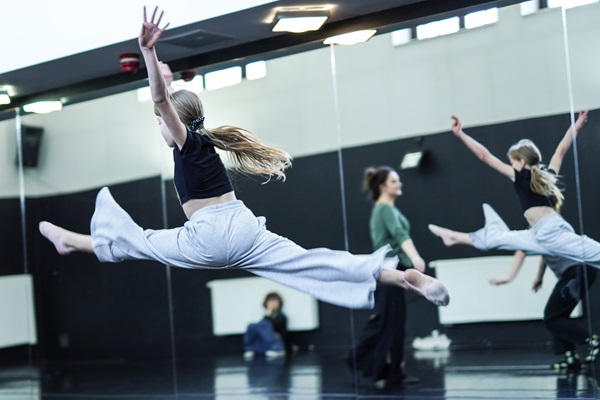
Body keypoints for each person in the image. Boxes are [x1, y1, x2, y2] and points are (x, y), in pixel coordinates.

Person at [38, 6, 450, 311]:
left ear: (175, 124)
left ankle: (69, 240)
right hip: (246, 230)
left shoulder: (187, 141)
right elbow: (170, 101)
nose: (159, 127)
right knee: (314, 263)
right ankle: (404, 278)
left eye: (159, 122)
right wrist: (163, 74)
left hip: (209, 236)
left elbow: (163, 102)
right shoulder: (204, 140)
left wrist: (148, 52)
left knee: (137, 242)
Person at [428, 111, 600, 270]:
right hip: (538, 234)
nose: (511, 166)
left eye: (512, 162)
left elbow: (484, 156)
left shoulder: (521, 175)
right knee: (497, 239)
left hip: (550, 232)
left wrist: (461, 134)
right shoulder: (546, 175)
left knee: (595, 253)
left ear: (522, 163)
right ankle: (453, 236)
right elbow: (559, 152)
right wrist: (576, 126)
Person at [344, 166, 426, 389]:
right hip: (391, 270)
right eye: (394, 181)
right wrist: (416, 258)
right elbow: (401, 235)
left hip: (389, 271)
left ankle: (389, 372)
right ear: (382, 187)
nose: (399, 184)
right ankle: (374, 366)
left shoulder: (384, 209)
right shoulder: (385, 209)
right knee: (391, 323)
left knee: (389, 322)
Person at [491, 250, 598, 371]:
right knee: (558, 316)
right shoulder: (545, 236)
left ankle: (592, 342)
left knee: (552, 318)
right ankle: (571, 358)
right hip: (581, 271)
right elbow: (544, 256)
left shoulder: (539, 233)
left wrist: (508, 278)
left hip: (576, 271)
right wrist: (539, 277)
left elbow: (521, 251)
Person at [243, 292, 288, 360]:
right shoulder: (265, 317)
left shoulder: (282, 317)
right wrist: (267, 316)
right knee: (251, 325)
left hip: (276, 342)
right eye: (270, 301)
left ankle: (278, 349)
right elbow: (261, 328)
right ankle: (250, 348)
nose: (273, 303)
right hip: (265, 342)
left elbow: (280, 331)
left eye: (275, 301)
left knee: (265, 324)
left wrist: (268, 316)